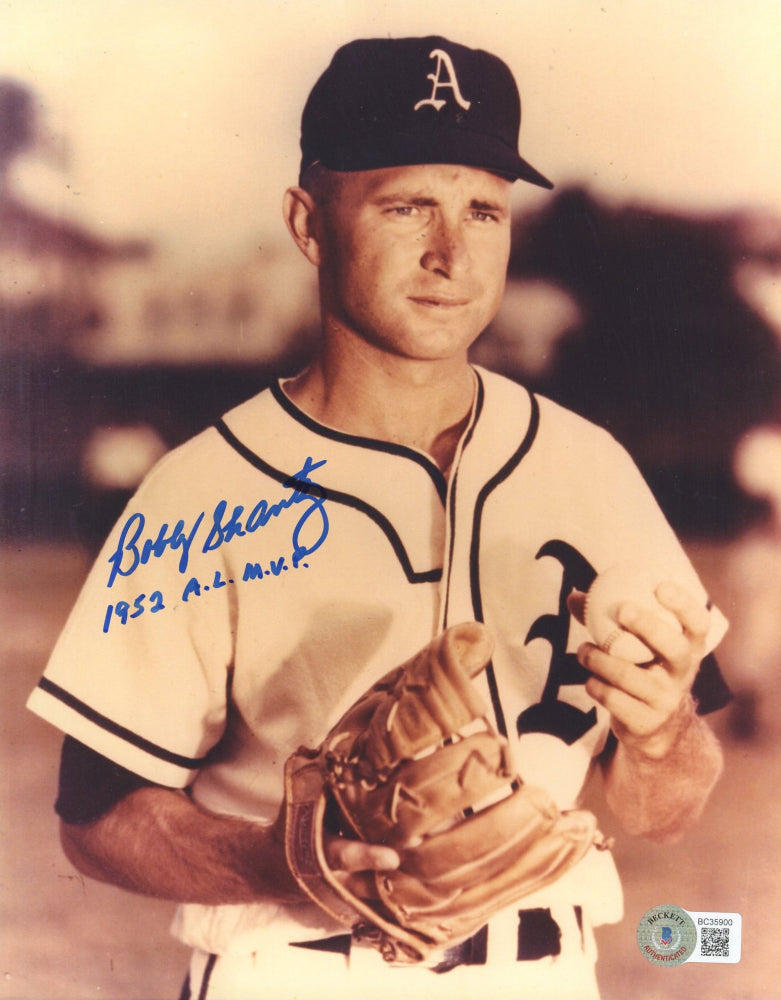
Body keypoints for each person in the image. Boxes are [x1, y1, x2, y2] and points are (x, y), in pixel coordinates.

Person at [28, 35, 731, 1000]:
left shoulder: (589, 465)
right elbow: (94, 815)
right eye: (407, 207)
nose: (451, 253)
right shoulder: (202, 491)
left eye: (482, 209)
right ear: (308, 222)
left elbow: (666, 804)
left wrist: (661, 738)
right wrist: (279, 865)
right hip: (296, 970)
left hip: (546, 972)